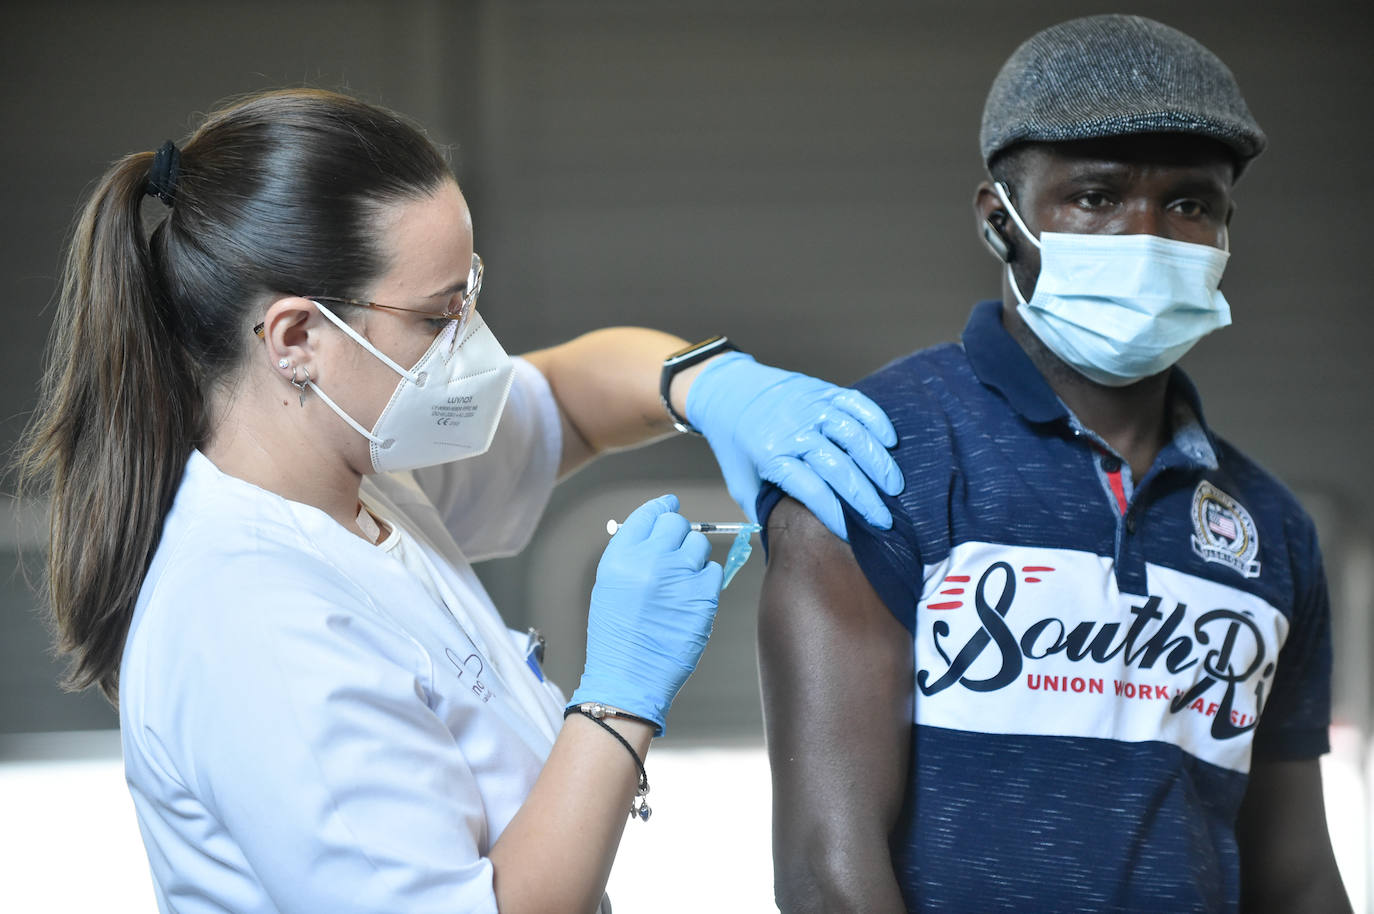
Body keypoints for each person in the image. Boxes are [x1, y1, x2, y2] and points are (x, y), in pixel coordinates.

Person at [13, 88, 905, 913]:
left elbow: (566, 398)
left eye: (470, 293)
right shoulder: (251, 625)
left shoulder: (363, 465)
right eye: (440, 315)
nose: (472, 343)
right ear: (296, 339)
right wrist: (620, 696)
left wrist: (712, 388)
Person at [756, 15, 1350, 913]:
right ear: (1001, 220)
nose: (1145, 236)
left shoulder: (1272, 530)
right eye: (1096, 197)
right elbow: (828, 872)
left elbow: (1296, 874)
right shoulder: (878, 456)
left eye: (1190, 204)